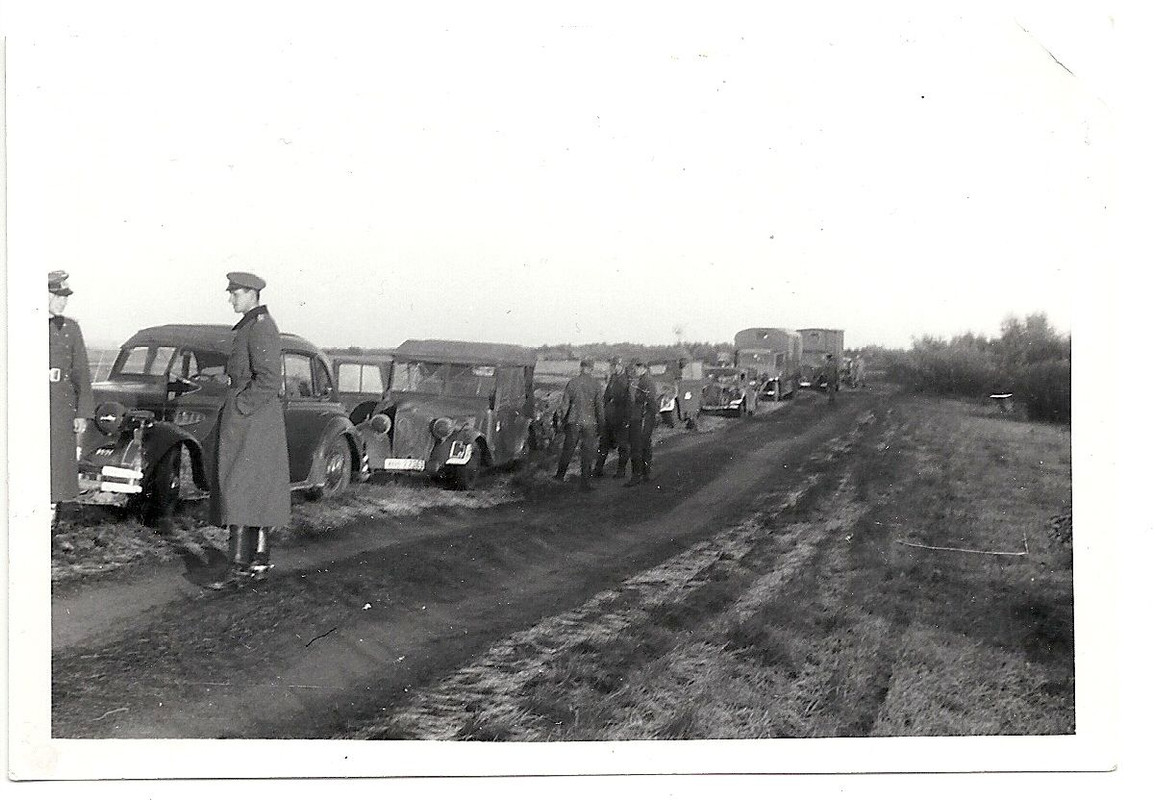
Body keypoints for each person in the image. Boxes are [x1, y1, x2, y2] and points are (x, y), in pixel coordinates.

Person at [208, 272, 291, 588]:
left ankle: (239, 568)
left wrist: (241, 407)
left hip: (251, 420)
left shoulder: (260, 328)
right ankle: (257, 560)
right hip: (252, 419)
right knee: (252, 487)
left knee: (239, 487)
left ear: (252, 294)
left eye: (236, 294)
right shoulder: (253, 326)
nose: (231, 299)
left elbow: (269, 379)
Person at [48, 271, 94, 520]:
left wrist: (82, 412)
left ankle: (50, 527)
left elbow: (81, 372)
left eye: (65, 297)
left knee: (57, 470)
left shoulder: (70, 328)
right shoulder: (22, 324)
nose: (62, 302)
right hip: (31, 405)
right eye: (57, 295)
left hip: (61, 408)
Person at [554, 357, 604, 491]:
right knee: (587, 453)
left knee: (568, 450)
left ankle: (559, 476)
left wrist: (562, 421)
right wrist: (601, 425)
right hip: (590, 423)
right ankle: (585, 483)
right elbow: (599, 407)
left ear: (580, 367)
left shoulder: (572, 383)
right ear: (591, 369)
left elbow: (564, 405)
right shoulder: (596, 384)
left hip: (573, 421)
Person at [593, 356, 631, 479]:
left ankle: (621, 471)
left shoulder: (626, 380)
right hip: (609, 417)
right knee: (603, 444)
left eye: (615, 366)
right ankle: (598, 469)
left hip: (620, 418)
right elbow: (606, 396)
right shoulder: (613, 378)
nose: (613, 368)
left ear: (621, 366)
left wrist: (626, 419)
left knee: (622, 445)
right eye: (612, 366)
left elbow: (629, 401)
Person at [625, 360, 658, 486]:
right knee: (645, 446)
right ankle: (645, 474)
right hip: (645, 418)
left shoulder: (645, 381)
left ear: (643, 368)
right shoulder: (646, 380)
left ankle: (636, 475)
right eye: (635, 368)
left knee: (636, 447)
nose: (635, 370)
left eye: (637, 368)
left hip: (641, 418)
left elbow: (650, 401)